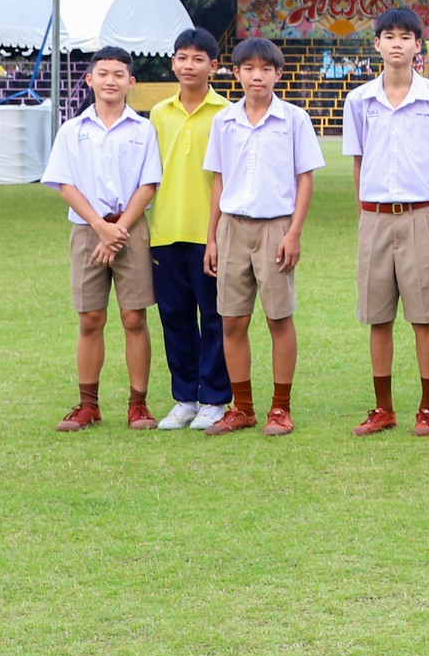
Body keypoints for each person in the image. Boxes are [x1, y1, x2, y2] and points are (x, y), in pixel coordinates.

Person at [342, 8, 429, 437]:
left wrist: (428, 206)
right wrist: (365, 212)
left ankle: (428, 409)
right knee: (378, 317)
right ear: (376, 44)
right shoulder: (360, 100)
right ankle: (383, 408)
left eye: (405, 37)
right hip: (374, 217)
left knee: (424, 318)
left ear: (417, 46)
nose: (396, 44)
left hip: (420, 215)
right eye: (388, 36)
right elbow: (358, 162)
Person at [201, 37, 322, 436]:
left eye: (266, 69)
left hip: (276, 227)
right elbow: (219, 180)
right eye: (249, 69)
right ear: (235, 73)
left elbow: (305, 179)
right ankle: (243, 408)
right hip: (232, 226)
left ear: (278, 74)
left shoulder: (294, 120)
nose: (258, 76)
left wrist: (294, 232)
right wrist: (212, 238)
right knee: (232, 321)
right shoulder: (225, 121)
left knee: (278, 318)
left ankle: (280, 408)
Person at [42, 47, 164, 432]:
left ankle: (138, 404)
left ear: (131, 81)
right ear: (89, 79)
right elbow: (64, 183)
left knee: (134, 317)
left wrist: (117, 229)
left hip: (130, 227)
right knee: (90, 318)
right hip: (87, 229)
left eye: (119, 74)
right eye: (103, 73)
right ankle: (87, 405)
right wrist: (100, 227)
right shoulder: (72, 130)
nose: (111, 80)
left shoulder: (142, 130)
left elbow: (149, 184)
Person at [147, 27, 232, 432]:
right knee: (175, 317)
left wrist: (216, 235)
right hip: (165, 230)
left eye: (198, 59)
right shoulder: (159, 113)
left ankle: (215, 399)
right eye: (182, 57)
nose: (189, 65)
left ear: (213, 66)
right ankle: (185, 398)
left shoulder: (227, 113)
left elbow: (226, 177)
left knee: (214, 317)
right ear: (173, 63)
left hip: (209, 233)